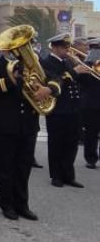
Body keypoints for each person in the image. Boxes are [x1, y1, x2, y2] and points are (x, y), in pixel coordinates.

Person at [0, 51, 45, 221]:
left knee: (23, 168)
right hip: (3, 126)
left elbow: (50, 79)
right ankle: (6, 203)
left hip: (27, 125)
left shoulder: (32, 65)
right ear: (5, 49)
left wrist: (48, 88)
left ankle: (22, 204)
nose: (17, 50)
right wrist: (12, 79)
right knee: (5, 168)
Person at [41, 33, 87, 188]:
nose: (68, 50)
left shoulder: (67, 62)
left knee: (71, 143)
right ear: (54, 48)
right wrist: (75, 71)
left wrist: (83, 68)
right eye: (64, 47)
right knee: (56, 144)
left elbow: (76, 81)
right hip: (58, 109)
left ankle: (68, 175)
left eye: (68, 47)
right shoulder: (46, 62)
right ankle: (56, 176)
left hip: (73, 108)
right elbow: (56, 81)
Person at [79, 38, 100, 169]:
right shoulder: (86, 64)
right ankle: (91, 158)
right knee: (91, 132)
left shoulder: (86, 62)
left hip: (90, 103)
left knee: (91, 133)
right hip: (91, 103)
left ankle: (91, 159)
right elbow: (81, 82)